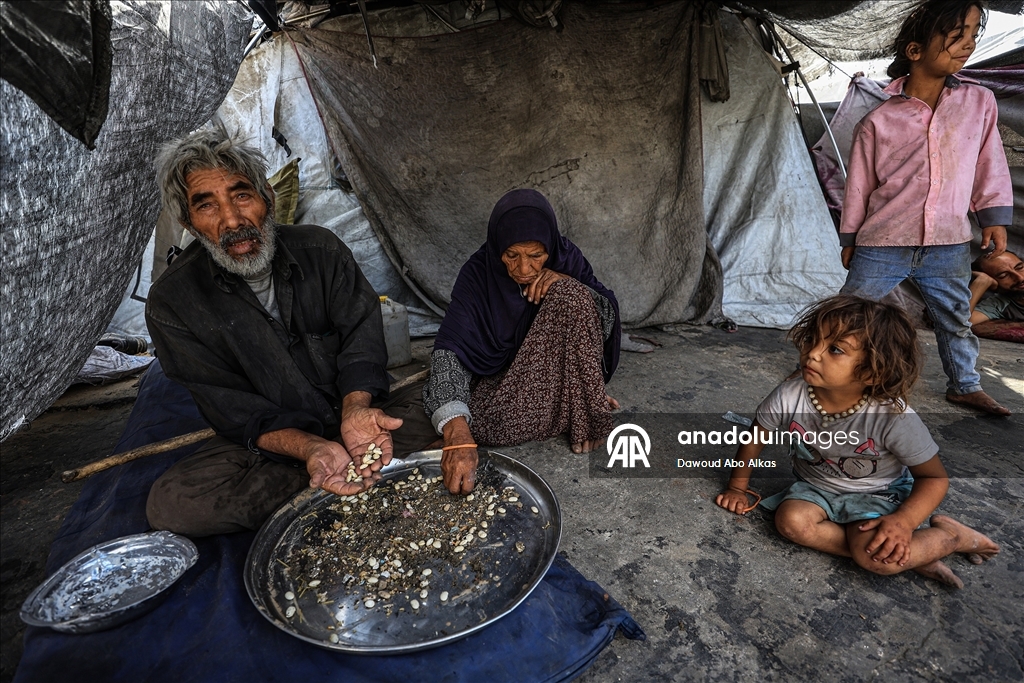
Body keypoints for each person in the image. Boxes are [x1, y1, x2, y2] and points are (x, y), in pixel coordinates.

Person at [144, 129, 436, 536]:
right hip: (278, 443)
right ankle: (337, 467)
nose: (232, 220)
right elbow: (232, 409)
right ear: (188, 224)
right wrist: (310, 447)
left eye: (241, 196)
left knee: (455, 400)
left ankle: (336, 472)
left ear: (267, 197)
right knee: (173, 504)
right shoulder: (172, 302)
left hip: (357, 414)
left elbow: (363, 342)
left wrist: (356, 408)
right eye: (206, 205)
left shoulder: (322, 250)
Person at [715, 295, 1000, 588]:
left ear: (873, 371)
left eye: (835, 349)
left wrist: (903, 521)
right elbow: (755, 438)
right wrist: (737, 488)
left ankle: (951, 538)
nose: (812, 353)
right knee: (791, 523)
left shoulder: (893, 417)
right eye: (812, 340)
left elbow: (934, 478)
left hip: (877, 493)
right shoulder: (790, 394)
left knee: (876, 559)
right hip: (815, 487)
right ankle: (917, 554)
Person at [839, 0, 1013, 416]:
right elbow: (859, 186)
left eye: (973, 33)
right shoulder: (878, 120)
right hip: (883, 239)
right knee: (850, 313)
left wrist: (993, 216)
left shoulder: (979, 103)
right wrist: (849, 238)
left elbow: (988, 162)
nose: (968, 44)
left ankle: (964, 384)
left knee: (955, 317)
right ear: (915, 50)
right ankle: (826, 372)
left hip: (948, 241)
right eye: (957, 34)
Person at [424, 189, 621, 494]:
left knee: (574, 295)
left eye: (536, 256)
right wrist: (456, 428)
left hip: (554, 370)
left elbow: (604, 317)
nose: (524, 269)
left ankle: (582, 400)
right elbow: (451, 350)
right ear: (498, 248)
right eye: (512, 255)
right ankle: (571, 402)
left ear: (550, 248)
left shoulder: (567, 258)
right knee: (488, 421)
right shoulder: (478, 274)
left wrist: (566, 282)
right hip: (504, 381)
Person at [968, 249, 1024, 342]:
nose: (1020, 278)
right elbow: (960, 321)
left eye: (1020, 267)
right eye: (1004, 275)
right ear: (993, 284)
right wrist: (981, 282)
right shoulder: (999, 304)